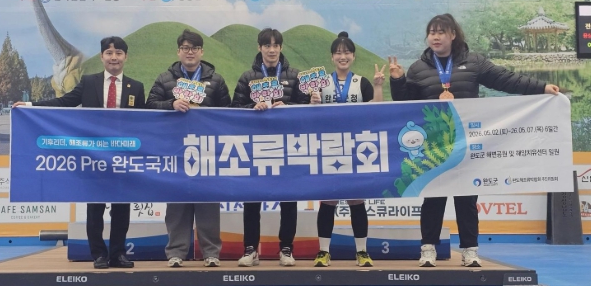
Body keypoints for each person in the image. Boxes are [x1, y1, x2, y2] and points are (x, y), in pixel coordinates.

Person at [388, 14, 560, 268]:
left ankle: (470, 250)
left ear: (453, 35)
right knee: (433, 198)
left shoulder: (473, 62)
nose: (435, 37)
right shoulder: (418, 68)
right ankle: (428, 250)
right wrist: (397, 80)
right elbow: (405, 104)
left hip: (467, 143)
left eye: (441, 32)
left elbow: (506, 80)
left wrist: (542, 87)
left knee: (467, 200)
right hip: (435, 146)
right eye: (432, 32)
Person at [13, 36, 147, 270]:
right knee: (95, 208)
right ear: (102, 57)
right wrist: (31, 106)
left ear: (126, 57)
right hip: (94, 156)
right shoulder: (88, 82)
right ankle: (99, 255)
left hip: (122, 157)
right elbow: (65, 102)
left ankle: (118, 254)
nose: (114, 57)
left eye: (118, 53)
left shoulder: (136, 87)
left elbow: (143, 121)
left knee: (121, 208)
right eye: (109, 53)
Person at [146, 29, 231, 268]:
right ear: (178, 52)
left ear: (201, 52)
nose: (190, 52)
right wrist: (171, 104)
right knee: (177, 205)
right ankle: (176, 252)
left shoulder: (216, 80)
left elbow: (229, 112)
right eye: (185, 48)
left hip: (207, 151)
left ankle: (211, 253)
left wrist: (207, 114)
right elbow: (149, 105)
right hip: (175, 151)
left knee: (208, 204)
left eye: (194, 48)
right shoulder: (165, 79)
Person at [231, 28, 310, 267]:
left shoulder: (295, 76)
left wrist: (288, 106)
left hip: (288, 147)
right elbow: (234, 109)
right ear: (259, 48)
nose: (272, 50)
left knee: (289, 199)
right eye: (267, 45)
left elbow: (306, 109)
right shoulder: (248, 77)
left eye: (276, 45)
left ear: (281, 48)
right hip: (255, 147)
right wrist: (252, 108)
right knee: (251, 199)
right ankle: (250, 249)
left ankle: (286, 249)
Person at [309, 32, 385, 268]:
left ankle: (362, 252)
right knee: (328, 201)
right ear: (331, 57)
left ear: (353, 56)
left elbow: (376, 110)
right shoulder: (321, 83)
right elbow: (310, 115)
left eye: (347, 52)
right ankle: (323, 252)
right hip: (329, 147)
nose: (343, 56)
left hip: (355, 149)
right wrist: (312, 102)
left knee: (356, 200)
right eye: (338, 53)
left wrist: (378, 86)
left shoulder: (361, 82)